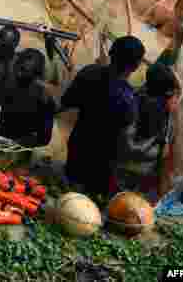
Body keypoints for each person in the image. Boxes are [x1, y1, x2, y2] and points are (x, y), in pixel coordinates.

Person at [57, 35, 152, 197]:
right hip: (101, 171)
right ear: (136, 66)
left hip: (76, 153)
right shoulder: (129, 101)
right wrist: (151, 146)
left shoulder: (89, 72)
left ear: (110, 53)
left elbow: (65, 102)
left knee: (69, 193)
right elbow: (126, 147)